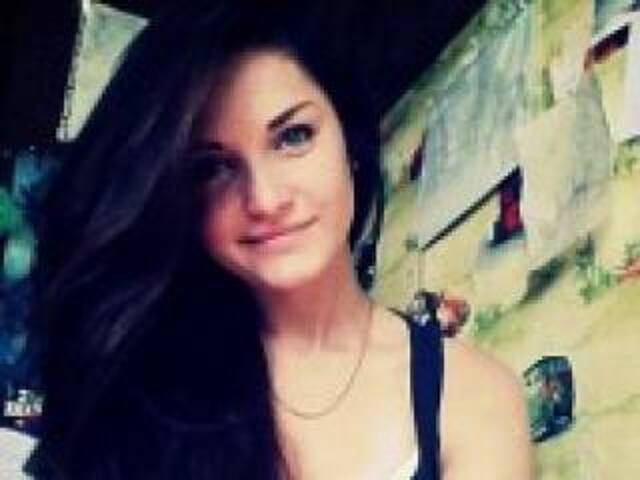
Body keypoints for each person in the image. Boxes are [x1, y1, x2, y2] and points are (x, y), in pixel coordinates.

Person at [22, 2, 532, 479]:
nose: (264, 199)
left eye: (293, 137)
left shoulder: (475, 397)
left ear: (350, 142)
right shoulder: (145, 387)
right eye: (213, 168)